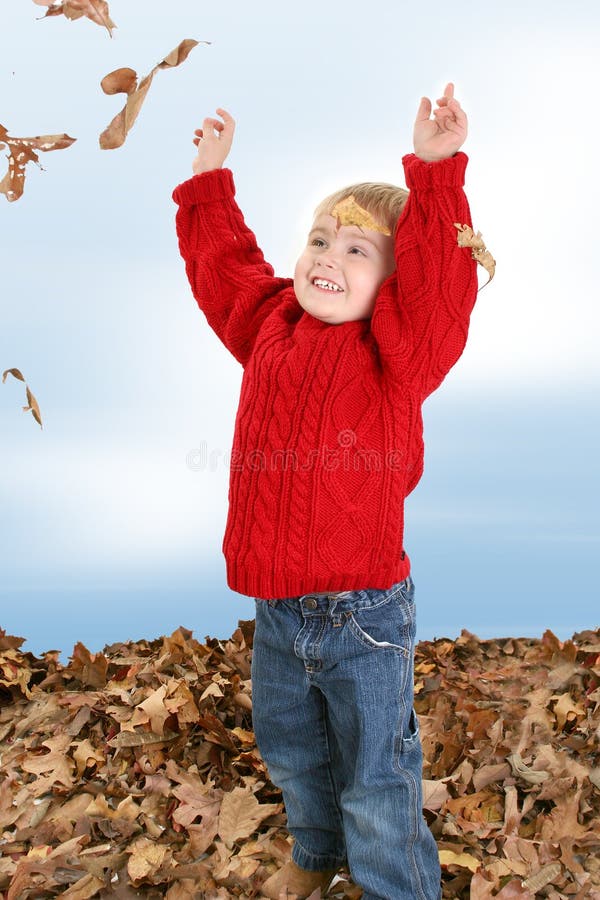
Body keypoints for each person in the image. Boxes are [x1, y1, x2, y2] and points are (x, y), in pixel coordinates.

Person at [173, 83, 479, 900]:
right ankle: (315, 851)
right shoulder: (269, 322)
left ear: (393, 282)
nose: (325, 257)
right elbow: (227, 272)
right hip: (279, 606)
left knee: (375, 772)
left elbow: (442, 298)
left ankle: (394, 886)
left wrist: (438, 174)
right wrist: (209, 185)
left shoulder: (397, 355)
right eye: (319, 238)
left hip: (365, 613)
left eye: (357, 249)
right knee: (292, 749)